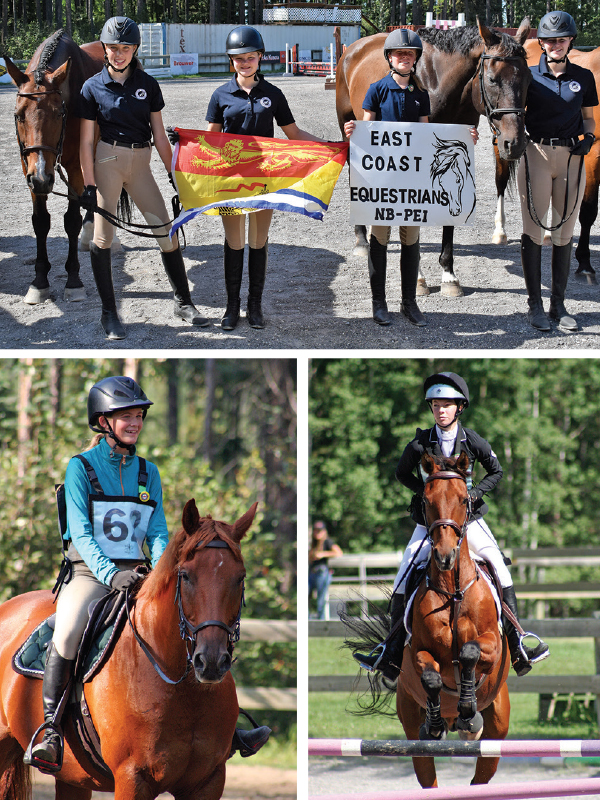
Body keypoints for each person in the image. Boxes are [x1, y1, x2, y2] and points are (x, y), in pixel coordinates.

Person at [26, 375, 269, 772]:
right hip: (89, 572)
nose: (135, 422)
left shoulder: (147, 472)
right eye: (126, 416)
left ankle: (227, 729)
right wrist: (108, 573)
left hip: (140, 572)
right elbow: (82, 533)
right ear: (103, 422)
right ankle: (52, 728)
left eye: (138, 416)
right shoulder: (80, 468)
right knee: (69, 628)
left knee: (196, 625)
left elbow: (157, 532)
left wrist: (159, 573)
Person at [353, 371, 549, 683]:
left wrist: (475, 493)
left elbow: (496, 470)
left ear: (459, 408)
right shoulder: (420, 443)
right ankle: (389, 651)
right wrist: (427, 495)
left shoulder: (471, 441)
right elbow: (401, 473)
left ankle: (518, 643)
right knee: (403, 572)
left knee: (500, 566)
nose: (440, 410)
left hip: (470, 523)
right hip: (431, 525)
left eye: (447, 405)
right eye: (435, 405)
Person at [169, 25, 324, 331]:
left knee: (258, 240)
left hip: (266, 180)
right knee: (234, 240)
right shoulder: (220, 95)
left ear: (260, 58)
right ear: (232, 60)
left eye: (250, 57)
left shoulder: (274, 94)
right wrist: (183, 138)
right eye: (239, 58)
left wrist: (327, 148)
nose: (244, 63)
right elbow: (210, 139)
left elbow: (293, 134)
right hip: (230, 181)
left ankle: (254, 306)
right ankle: (231, 307)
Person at [79, 16, 209, 340]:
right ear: (104, 49)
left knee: (166, 231)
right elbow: (84, 141)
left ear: (135, 48)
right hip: (107, 161)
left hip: (141, 164)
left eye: (125, 48)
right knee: (103, 237)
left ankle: (184, 302)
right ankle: (109, 314)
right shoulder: (91, 88)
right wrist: (88, 185)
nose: (118, 54)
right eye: (113, 48)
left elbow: (161, 137)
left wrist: (173, 176)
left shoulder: (148, 85)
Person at [344, 31, 478, 328]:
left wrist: (463, 138)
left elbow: (427, 138)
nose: (404, 58)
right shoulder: (376, 90)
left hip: (410, 182)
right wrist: (355, 134)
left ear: (416, 58)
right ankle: (379, 302)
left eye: (409, 54)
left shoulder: (420, 97)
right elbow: (368, 132)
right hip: (383, 181)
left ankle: (409, 301)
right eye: (398, 54)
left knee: (411, 238)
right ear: (389, 58)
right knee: (380, 237)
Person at [518, 11, 598, 333]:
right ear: (542, 42)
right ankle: (534, 304)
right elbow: (510, 113)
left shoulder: (584, 78)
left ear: (570, 41)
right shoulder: (528, 75)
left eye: (561, 39)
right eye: (549, 40)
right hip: (536, 153)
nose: (555, 45)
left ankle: (558, 304)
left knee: (565, 232)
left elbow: (589, 119)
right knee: (534, 230)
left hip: (570, 158)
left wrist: (588, 138)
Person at [309, 521, 343, 619]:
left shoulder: (327, 542)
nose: (317, 533)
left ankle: (321, 620)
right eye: (315, 531)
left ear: (324, 531)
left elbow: (339, 553)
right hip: (312, 572)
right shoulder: (313, 543)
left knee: (320, 599)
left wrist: (323, 554)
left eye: (319, 530)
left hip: (322, 572)